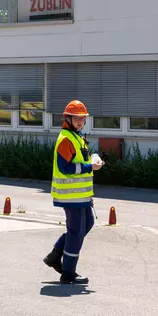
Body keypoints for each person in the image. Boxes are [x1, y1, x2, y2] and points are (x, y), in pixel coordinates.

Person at [43, 100, 104, 284]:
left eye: (82, 118)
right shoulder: (66, 138)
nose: (79, 121)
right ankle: (68, 273)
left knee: (85, 225)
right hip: (71, 196)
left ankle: (55, 255)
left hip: (80, 195)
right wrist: (89, 167)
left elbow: (80, 162)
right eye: (76, 118)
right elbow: (65, 168)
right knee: (76, 232)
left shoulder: (76, 136)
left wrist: (93, 162)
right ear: (67, 118)